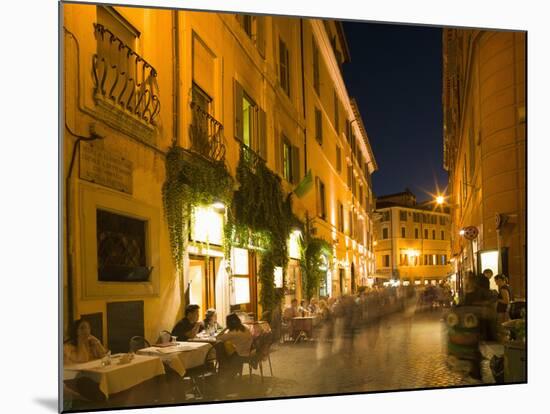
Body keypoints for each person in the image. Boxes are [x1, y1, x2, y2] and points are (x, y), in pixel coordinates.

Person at [215, 313, 254, 378]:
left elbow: (217, 337)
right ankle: (230, 372)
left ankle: (225, 373)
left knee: (221, 349)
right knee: (226, 348)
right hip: (248, 351)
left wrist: (225, 328)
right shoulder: (244, 328)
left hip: (240, 355)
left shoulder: (233, 333)